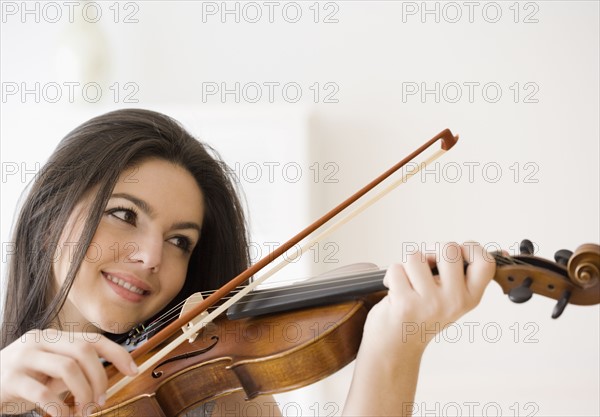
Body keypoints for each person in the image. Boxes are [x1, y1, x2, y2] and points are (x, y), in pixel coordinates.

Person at [0, 109, 496, 417]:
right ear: (51, 211)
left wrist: (395, 346)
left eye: (180, 241)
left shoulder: (210, 396)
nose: (151, 257)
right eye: (124, 215)